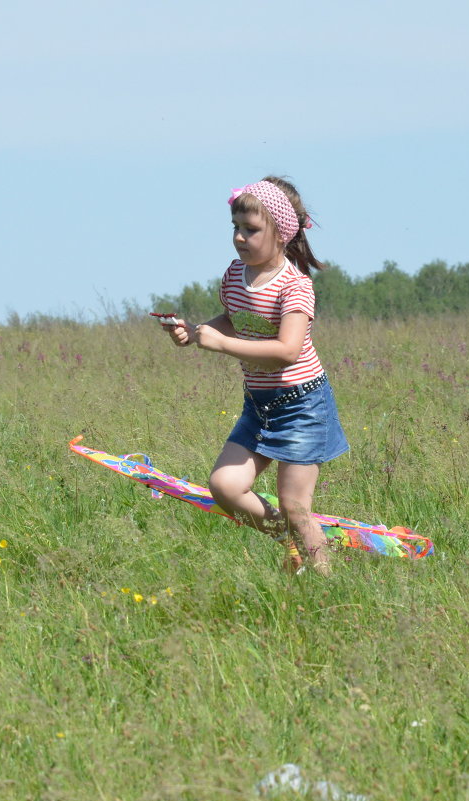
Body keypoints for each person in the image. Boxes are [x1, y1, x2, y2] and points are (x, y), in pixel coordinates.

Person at [160, 176, 348, 575]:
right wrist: (193, 333)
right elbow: (234, 320)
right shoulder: (234, 276)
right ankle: (292, 540)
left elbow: (286, 351)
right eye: (236, 228)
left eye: (251, 229)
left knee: (296, 508)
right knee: (225, 486)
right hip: (259, 406)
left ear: (281, 234)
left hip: (302, 406)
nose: (240, 238)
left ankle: (328, 583)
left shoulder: (294, 287)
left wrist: (222, 344)